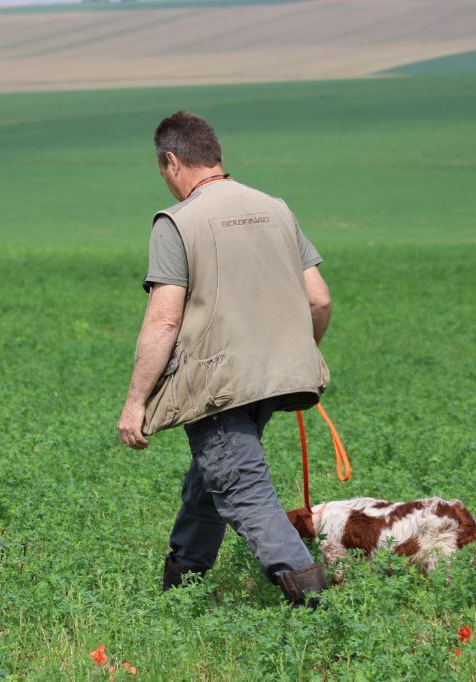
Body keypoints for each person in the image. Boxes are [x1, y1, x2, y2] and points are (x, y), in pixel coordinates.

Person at [117, 111, 333, 607]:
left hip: (217, 384)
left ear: (171, 161)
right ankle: (182, 591)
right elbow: (318, 299)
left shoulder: (179, 220)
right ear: (216, 155)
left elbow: (164, 321)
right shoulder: (275, 208)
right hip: (274, 377)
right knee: (210, 478)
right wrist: (299, 354)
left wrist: (135, 403)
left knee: (241, 488)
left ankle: (319, 604)